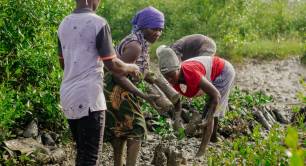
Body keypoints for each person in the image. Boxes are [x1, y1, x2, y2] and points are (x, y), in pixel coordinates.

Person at [57, 0, 140, 165]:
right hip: (89, 98)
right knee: (90, 157)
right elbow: (113, 65)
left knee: (82, 152)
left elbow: (63, 63)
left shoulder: (64, 23)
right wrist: (132, 67)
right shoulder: (98, 23)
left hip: (68, 96)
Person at [103, 6, 164, 166]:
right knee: (137, 128)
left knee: (121, 128)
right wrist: (143, 95)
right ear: (143, 27)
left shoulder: (140, 41)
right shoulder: (135, 46)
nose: (157, 33)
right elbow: (117, 73)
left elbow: (139, 70)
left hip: (118, 87)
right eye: (154, 28)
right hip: (116, 87)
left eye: (160, 29)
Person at [157, 46, 235, 157]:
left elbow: (216, 95)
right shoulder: (172, 76)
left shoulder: (191, 73)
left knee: (209, 111)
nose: (169, 80)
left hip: (223, 71)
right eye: (166, 77)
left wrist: (208, 118)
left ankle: (201, 152)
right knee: (210, 108)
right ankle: (213, 137)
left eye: (171, 76)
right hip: (209, 71)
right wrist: (177, 117)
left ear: (178, 69)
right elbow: (177, 98)